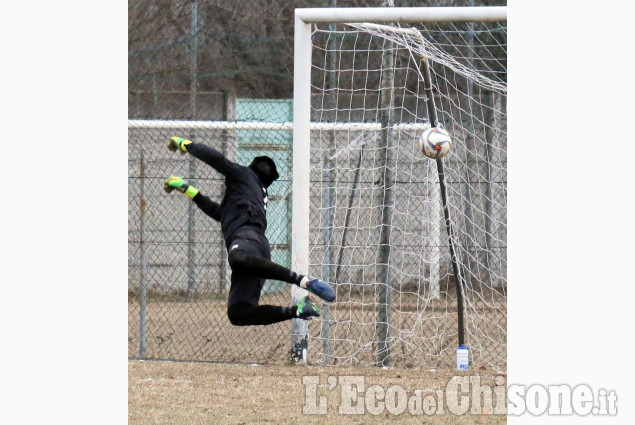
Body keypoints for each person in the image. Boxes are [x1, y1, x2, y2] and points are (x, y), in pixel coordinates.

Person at [163, 136, 335, 326]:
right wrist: (186, 188)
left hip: (247, 239)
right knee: (238, 313)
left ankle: (303, 281)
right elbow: (219, 213)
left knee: (237, 257)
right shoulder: (253, 194)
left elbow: (217, 160)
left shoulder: (243, 174)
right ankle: (299, 310)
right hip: (258, 248)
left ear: (251, 167)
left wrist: (187, 145)